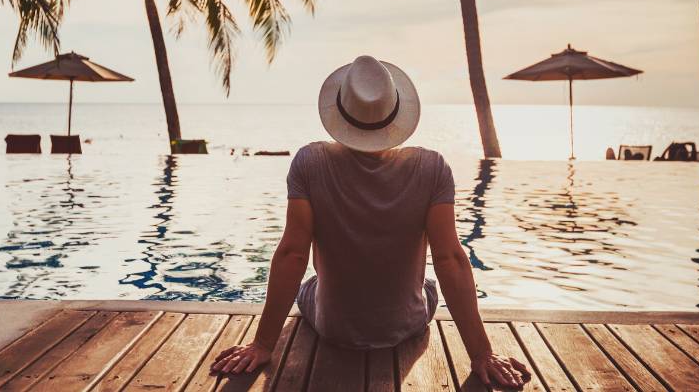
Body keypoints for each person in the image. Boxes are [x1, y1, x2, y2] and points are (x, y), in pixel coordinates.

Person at [210, 56, 530, 388]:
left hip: (332, 326)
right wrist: (482, 354)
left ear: (339, 111)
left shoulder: (310, 162)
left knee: (309, 286)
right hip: (405, 325)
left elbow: (292, 254)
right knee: (430, 286)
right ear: (396, 113)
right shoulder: (433, 168)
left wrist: (262, 344)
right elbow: (450, 259)